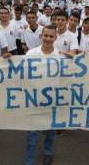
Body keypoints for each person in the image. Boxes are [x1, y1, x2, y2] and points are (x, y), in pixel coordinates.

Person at [24, 25, 59, 165]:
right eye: (46, 35)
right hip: (34, 99)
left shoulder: (60, 56)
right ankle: (29, 161)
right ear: (41, 36)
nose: (48, 39)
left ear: (55, 38)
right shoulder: (31, 54)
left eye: (51, 36)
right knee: (32, 132)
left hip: (52, 100)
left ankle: (48, 152)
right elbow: (23, 74)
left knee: (50, 130)